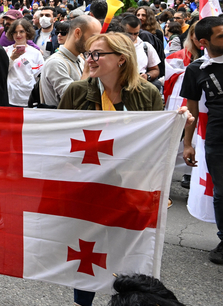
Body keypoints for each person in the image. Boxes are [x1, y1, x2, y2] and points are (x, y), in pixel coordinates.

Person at [59, 32, 167, 306]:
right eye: (89, 54)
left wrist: (179, 123)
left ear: (121, 59)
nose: (90, 60)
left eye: (98, 54)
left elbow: (159, 143)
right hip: (88, 185)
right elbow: (59, 137)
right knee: (88, 249)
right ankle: (81, 302)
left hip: (132, 187)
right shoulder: (77, 91)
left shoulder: (147, 94)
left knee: (128, 249)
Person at [181, 16, 223, 266]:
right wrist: (188, 144)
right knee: (222, 193)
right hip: (218, 140)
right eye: (220, 35)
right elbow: (192, 111)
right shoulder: (196, 69)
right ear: (204, 41)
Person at [39, 15, 101, 107]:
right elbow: (75, 100)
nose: (95, 42)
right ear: (77, 33)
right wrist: (87, 71)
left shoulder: (79, 59)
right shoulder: (56, 63)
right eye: (92, 37)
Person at [5, 19, 45, 107]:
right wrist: (12, 58)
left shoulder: (35, 53)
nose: (18, 35)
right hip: (10, 97)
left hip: (28, 97)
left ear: (27, 33)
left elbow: (40, 75)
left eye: (21, 31)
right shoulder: (6, 50)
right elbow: (1, 71)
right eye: (15, 32)